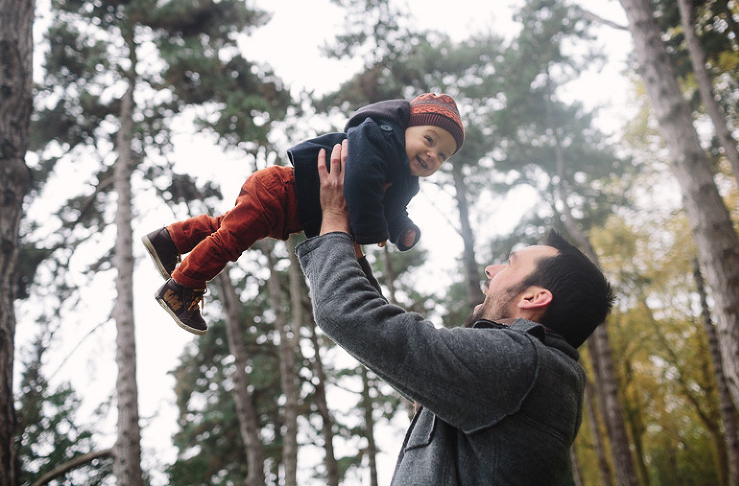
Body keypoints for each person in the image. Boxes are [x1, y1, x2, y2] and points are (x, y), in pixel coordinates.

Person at [296, 141, 615, 485]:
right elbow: (387, 339)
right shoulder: (519, 376)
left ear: (534, 297)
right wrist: (349, 247)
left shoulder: (520, 364)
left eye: (509, 264)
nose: (491, 270)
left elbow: (347, 314)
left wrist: (334, 218)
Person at [142, 93, 464, 335]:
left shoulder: (405, 180)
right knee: (230, 240)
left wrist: (402, 230)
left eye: (443, 155)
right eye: (429, 139)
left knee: (224, 226)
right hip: (279, 191)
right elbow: (362, 180)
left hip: (285, 211)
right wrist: (372, 230)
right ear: (404, 127)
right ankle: (180, 287)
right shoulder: (377, 138)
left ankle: (168, 240)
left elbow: (393, 208)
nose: (432, 154)